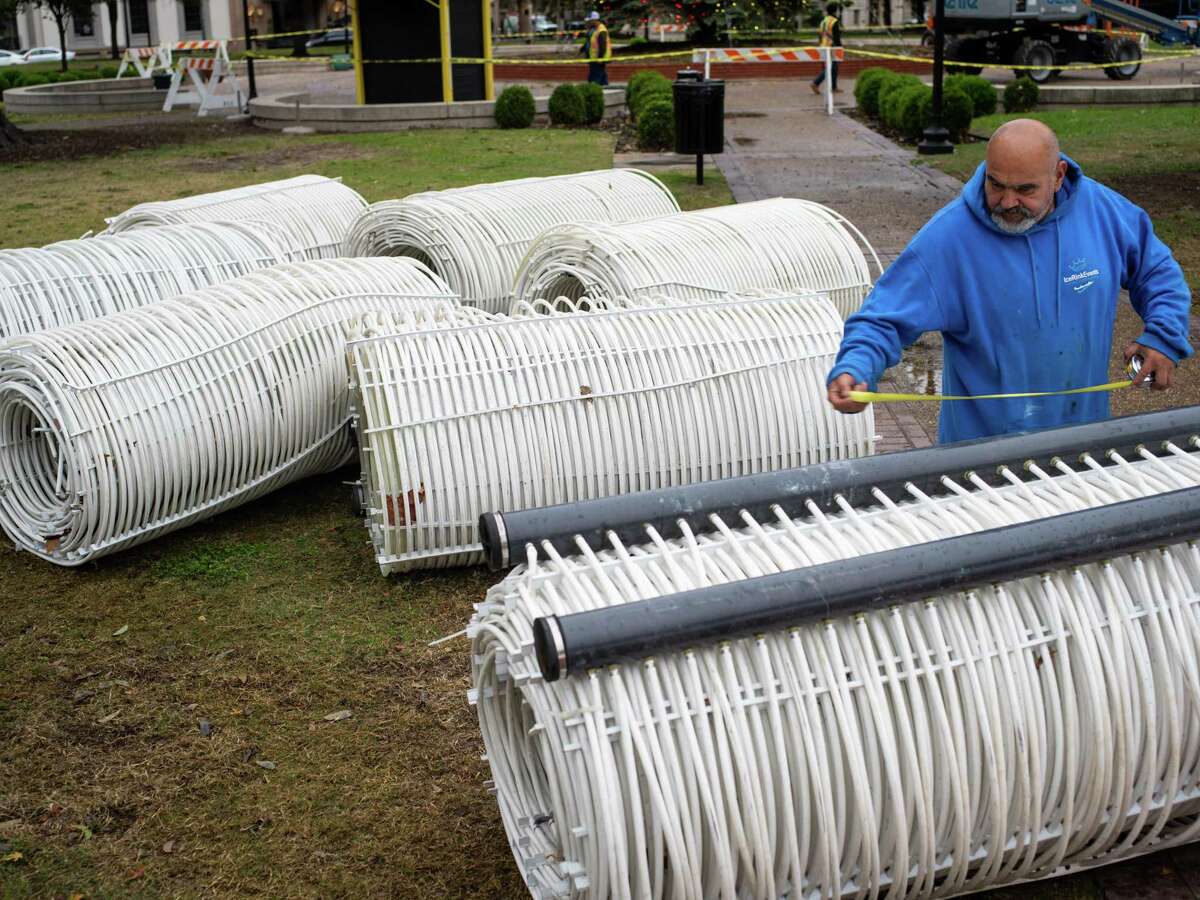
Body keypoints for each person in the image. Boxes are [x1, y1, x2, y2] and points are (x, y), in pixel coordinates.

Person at [826, 118, 1191, 443]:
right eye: (995, 184)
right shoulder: (949, 238)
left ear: (1059, 175)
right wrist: (857, 367)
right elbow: (882, 319)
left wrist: (1162, 337)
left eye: (1026, 190)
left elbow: (1156, 271)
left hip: (1083, 445)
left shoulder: (1106, 213)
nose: (1007, 201)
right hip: (979, 461)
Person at [810, 3, 842, 95]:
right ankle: (816, 83)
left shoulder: (823, 21)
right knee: (831, 67)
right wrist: (839, 47)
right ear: (835, 11)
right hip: (831, 46)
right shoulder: (834, 21)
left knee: (834, 67)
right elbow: (836, 37)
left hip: (823, 45)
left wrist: (821, 44)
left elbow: (819, 34)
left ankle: (834, 87)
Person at [580, 10, 611, 86]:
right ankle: (605, 88)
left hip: (598, 58)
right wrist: (583, 48)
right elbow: (591, 41)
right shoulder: (595, 29)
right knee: (601, 75)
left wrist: (600, 58)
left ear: (594, 20)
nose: (588, 22)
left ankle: (593, 90)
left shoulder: (601, 30)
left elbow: (602, 45)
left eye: (590, 21)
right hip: (594, 58)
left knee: (594, 78)